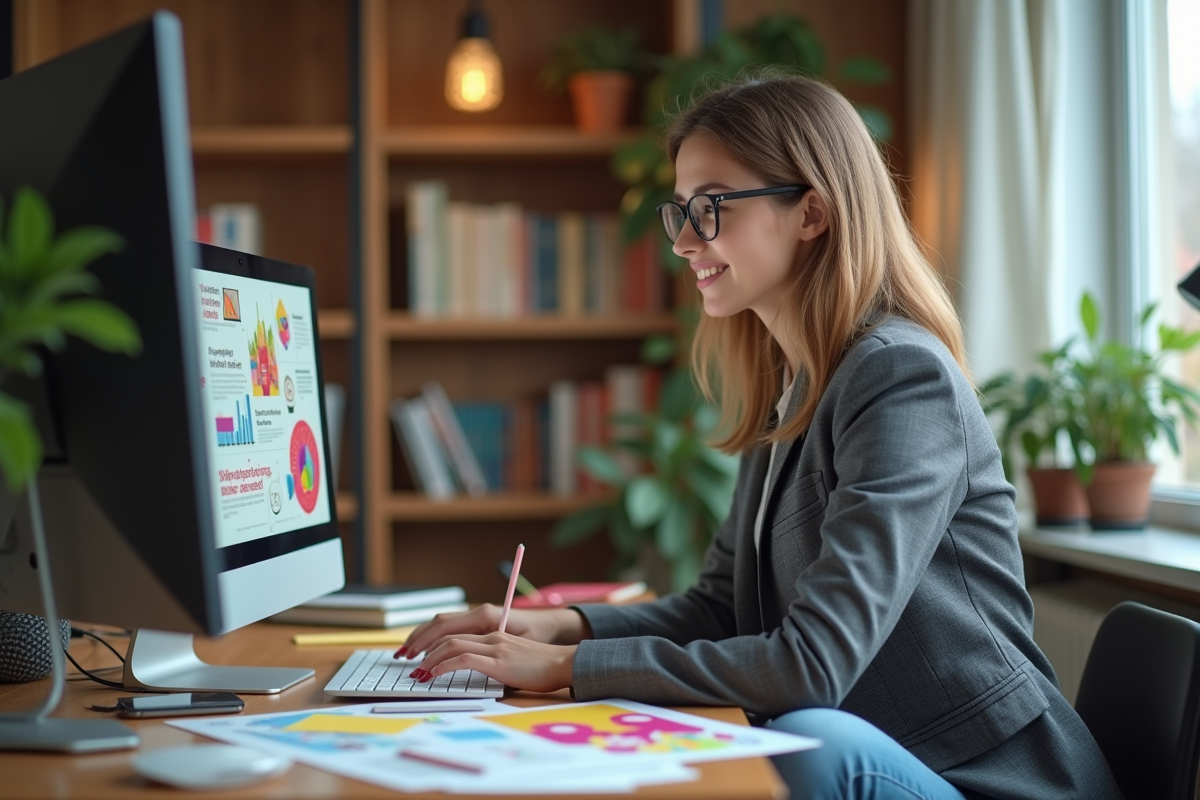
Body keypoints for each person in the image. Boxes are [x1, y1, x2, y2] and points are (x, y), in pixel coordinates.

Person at [397, 72, 1123, 800]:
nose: (683, 241)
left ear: (811, 212)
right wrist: (556, 628)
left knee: (811, 742)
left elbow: (814, 666)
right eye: (679, 211)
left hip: (992, 781)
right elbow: (718, 607)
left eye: (710, 208)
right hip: (912, 762)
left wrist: (566, 672)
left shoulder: (901, 378)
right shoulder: (795, 383)